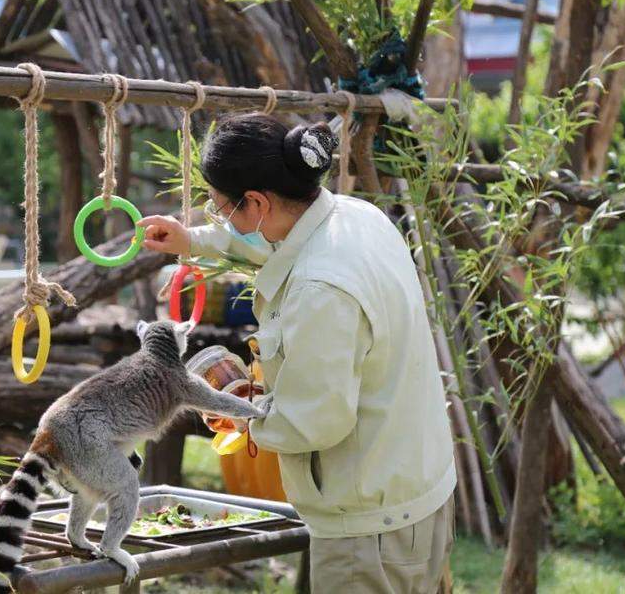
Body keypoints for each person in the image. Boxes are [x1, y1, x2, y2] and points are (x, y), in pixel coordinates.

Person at [138, 113, 456, 594]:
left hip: (370, 529)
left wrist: (237, 411)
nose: (220, 218)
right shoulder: (353, 217)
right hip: (418, 490)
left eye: (222, 209)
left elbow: (317, 422)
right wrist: (193, 239)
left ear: (258, 203)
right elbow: (280, 248)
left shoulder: (318, 289)